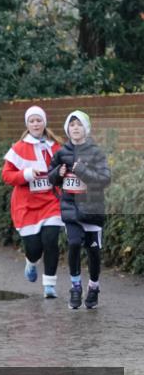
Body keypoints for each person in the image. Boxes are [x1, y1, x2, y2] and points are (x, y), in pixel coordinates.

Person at [47, 110, 111, 310]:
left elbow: (104, 179)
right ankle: (75, 287)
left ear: (86, 128)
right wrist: (58, 173)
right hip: (71, 209)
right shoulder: (61, 152)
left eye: (79, 124)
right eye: (72, 124)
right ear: (67, 129)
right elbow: (50, 177)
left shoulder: (96, 152)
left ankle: (93, 286)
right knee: (74, 244)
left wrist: (82, 170)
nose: (75, 128)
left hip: (92, 209)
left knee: (93, 252)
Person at [2, 106, 63, 298]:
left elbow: (67, 170)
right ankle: (31, 261)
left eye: (39, 120)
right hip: (26, 205)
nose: (36, 124)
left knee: (51, 240)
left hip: (51, 202)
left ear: (44, 122)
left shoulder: (56, 146)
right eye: (32, 121)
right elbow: (7, 176)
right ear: (27, 125)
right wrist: (27, 173)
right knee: (35, 248)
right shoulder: (18, 148)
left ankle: (49, 285)